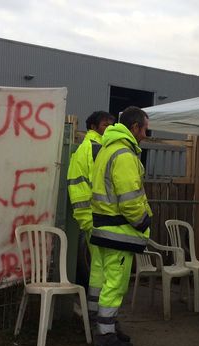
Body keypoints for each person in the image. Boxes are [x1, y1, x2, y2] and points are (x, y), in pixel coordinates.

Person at [89, 106, 152, 346]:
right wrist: (143, 221)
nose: (146, 135)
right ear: (135, 127)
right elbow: (130, 199)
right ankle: (105, 335)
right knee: (115, 285)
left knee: (104, 281)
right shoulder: (124, 154)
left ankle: (104, 326)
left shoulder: (107, 150)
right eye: (145, 129)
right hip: (120, 232)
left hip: (103, 228)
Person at [66, 111, 115, 333]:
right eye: (107, 124)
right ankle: (103, 320)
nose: (110, 128)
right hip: (98, 219)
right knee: (106, 271)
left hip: (89, 219)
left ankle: (95, 315)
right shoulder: (98, 149)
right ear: (94, 126)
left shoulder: (83, 150)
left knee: (97, 269)